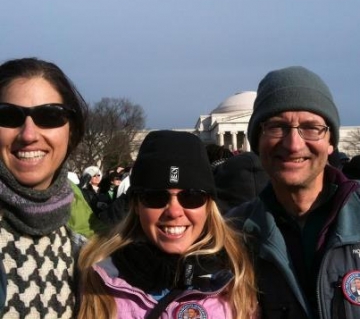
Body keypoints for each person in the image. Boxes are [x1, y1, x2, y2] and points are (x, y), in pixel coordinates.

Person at [78, 130, 258, 319]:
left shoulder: (239, 277)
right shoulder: (96, 280)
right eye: (155, 197)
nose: (174, 211)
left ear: (208, 205)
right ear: (136, 205)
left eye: (191, 196)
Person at [229, 66, 360, 319]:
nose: (293, 144)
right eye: (277, 127)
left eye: (312, 128)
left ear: (331, 141)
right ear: (257, 141)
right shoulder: (232, 235)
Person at [0, 57, 87, 317]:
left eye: (49, 116)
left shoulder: (85, 255)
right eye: (8, 115)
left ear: (71, 131)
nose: (28, 134)